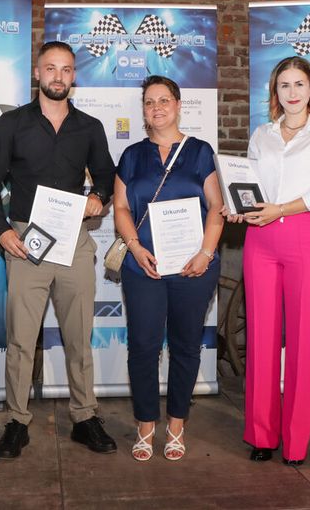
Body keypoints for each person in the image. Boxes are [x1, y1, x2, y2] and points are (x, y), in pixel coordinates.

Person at [0, 41, 117, 459]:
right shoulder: (12, 124)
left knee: (79, 336)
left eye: (67, 69)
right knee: (21, 339)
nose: (58, 76)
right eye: (50, 68)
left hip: (74, 240)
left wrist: (99, 197)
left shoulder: (89, 126)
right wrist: (1, 232)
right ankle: (17, 422)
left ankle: (85, 416)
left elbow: (107, 175)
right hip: (25, 241)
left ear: (74, 76)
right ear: (37, 73)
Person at [223, 56, 310, 465]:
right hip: (261, 238)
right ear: (275, 93)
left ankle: (295, 443)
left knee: (302, 343)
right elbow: (252, 189)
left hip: (304, 236)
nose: (291, 93)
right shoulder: (262, 135)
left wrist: (280, 209)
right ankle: (261, 434)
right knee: (260, 338)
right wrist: (238, 207)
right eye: (283, 86)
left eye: (299, 85)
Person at [113, 75, 224, 461]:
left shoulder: (200, 151)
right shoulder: (131, 156)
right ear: (143, 110)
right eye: (149, 102)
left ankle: (177, 423)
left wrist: (206, 253)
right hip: (142, 265)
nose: (156, 108)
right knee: (143, 346)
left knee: (184, 345)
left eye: (163, 100)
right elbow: (122, 208)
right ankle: (146, 423)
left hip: (193, 266)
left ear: (178, 105)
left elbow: (216, 206)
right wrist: (135, 247)